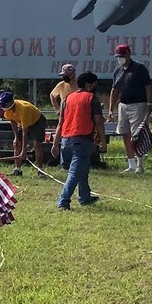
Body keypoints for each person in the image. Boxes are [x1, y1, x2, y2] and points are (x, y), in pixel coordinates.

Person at [56, 72, 105, 210]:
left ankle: (85, 197)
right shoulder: (91, 98)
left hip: (66, 140)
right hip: (82, 140)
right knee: (74, 173)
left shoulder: (67, 98)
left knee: (82, 169)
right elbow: (99, 121)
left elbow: (61, 122)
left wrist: (55, 143)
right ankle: (63, 201)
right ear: (89, 84)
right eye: (94, 85)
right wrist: (103, 141)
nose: (95, 87)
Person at [108, 42, 152, 174]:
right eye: (118, 56)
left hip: (138, 104)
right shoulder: (118, 71)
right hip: (123, 105)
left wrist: (148, 104)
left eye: (121, 55)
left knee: (137, 134)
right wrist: (111, 109)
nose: (120, 58)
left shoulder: (139, 68)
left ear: (128, 54)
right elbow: (114, 90)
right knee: (125, 133)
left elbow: (148, 87)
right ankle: (131, 164)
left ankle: (140, 164)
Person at [0, 88, 44, 174]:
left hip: (37, 121)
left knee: (37, 144)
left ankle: (40, 170)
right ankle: (17, 169)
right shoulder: (7, 110)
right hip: (22, 124)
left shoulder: (24, 109)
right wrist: (16, 137)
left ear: (10, 103)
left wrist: (24, 150)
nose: (2, 107)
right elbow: (13, 121)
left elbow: (25, 132)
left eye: (3, 105)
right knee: (17, 144)